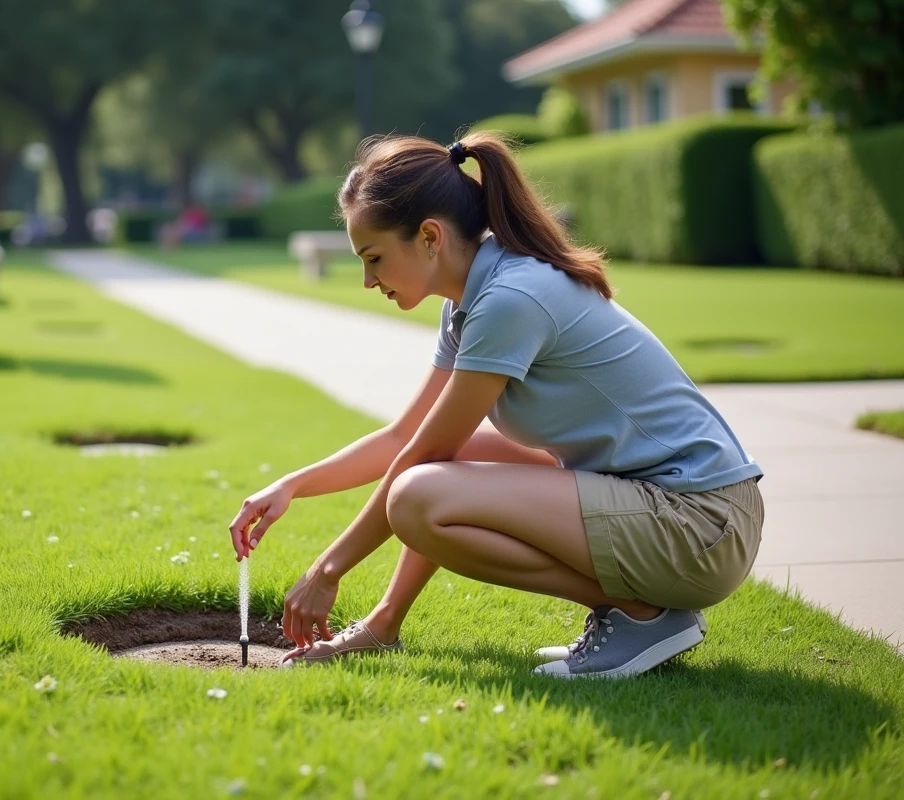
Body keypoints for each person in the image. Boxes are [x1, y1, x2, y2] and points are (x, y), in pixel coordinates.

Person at [227, 132, 765, 678]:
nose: (368, 280)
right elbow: (405, 438)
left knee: (419, 492)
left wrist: (328, 569)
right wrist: (291, 485)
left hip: (699, 524)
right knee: (437, 472)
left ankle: (639, 614)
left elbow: (422, 455)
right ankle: (384, 624)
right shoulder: (471, 300)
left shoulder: (510, 298)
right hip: (667, 508)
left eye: (374, 258)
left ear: (430, 236)